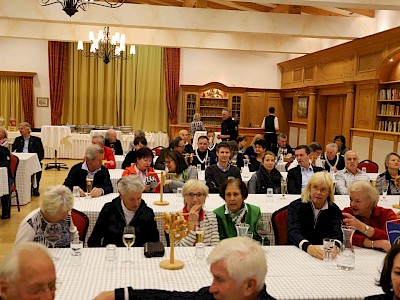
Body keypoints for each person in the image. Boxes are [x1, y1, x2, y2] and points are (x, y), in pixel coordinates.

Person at [94, 237, 275, 300]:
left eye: (219, 279)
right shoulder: (212, 297)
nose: (211, 287)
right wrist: (118, 295)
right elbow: (170, 298)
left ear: (249, 286)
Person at [88, 175, 159, 247]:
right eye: (131, 199)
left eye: (139, 198)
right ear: (121, 195)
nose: (136, 203)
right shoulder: (109, 209)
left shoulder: (148, 213)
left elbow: (154, 244)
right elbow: (93, 240)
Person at [288, 172, 342, 259]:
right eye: (315, 188)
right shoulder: (296, 206)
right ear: (309, 188)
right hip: (298, 251)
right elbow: (293, 232)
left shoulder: (334, 210)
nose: (318, 192)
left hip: (323, 253)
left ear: (329, 192)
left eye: (323, 189)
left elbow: (338, 233)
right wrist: (308, 247)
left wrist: (335, 246)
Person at [342, 181, 396, 252]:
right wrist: (375, 243)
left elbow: (393, 238)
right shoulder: (347, 213)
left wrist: (361, 227)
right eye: (351, 200)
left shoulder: (387, 214)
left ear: (371, 203)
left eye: (357, 201)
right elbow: (346, 236)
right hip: (358, 255)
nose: (352, 204)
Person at [175, 179, 220, 246]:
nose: (195, 199)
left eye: (199, 195)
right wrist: (192, 224)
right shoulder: (176, 218)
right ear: (184, 197)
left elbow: (214, 246)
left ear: (205, 198)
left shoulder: (211, 217)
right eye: (190, 195)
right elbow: (178, 248)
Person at [12, 122, 44, 196]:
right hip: (21, 160)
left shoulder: (37, 140)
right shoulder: (17, 139)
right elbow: (13, 151)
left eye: (22, 128)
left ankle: (35, 187)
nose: (20, 130)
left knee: (38, 167)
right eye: (19, 128)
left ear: (28, 129)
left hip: (33, 160)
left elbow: (41, 153)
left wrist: (36, 160)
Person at [0, 145, 13, 219]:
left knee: (6, 185)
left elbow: (6, 163)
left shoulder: (3, 150)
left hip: (6, 176)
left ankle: (5, 211)